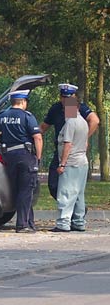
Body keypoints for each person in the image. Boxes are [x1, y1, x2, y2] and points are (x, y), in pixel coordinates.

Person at [0, 89, 43, 233]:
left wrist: (2, 143)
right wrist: (38, 157)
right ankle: (22, 225)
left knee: (19, 189)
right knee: (26, 190)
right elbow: (37, 137)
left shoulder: (2, 116)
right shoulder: (27, 117)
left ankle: (29, 222)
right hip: (25, 156)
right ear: (24, 102)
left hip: (9, 156)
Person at [40, 83, 99, 200]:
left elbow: (94, 120)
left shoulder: (76, 108)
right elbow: (43, 127)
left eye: (68, 98)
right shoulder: (56, 109)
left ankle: (72, 211)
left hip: (73, 153)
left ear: (74, 97)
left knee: (72, 186)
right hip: (60, 151)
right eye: (63, 97)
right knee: (53, 185)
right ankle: (72, 208)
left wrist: (84, 138)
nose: (65, 100)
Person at [51, 96, 89, 232]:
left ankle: (63, 223)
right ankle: (79, 222)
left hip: (71, 162)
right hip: (82, 162)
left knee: (66, 193)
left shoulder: (70, 123)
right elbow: (85, 143)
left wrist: (62, 164)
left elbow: (67, 144)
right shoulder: (84, 122)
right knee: (79, 194)